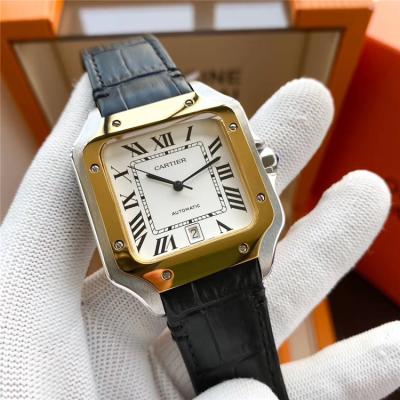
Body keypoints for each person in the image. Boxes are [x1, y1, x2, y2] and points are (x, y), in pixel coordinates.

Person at [0, 75, 399, 400]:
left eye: (180, 181)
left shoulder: (215, 117)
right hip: (189, 272)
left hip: (232, 259)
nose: (177, 184)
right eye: (172, 182)